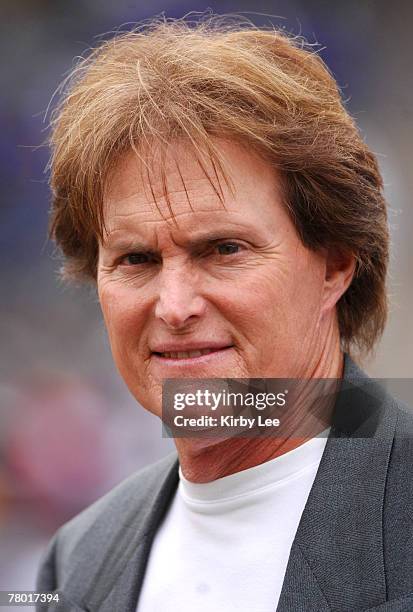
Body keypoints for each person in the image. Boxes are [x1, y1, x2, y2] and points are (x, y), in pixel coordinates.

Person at [36, 16, 413, 611]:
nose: (176, 306)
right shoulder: (78, 559)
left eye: (224, 249)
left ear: (335, 267)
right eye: (136, 259)